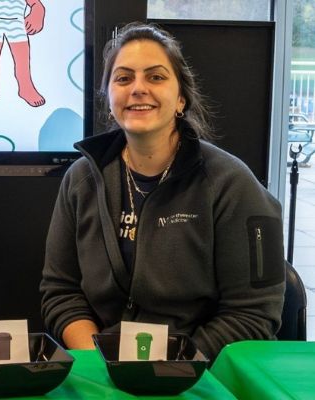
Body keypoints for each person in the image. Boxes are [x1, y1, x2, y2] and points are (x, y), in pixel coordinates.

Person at [39, 22, 285, 359]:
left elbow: (254, 315)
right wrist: (99, 362)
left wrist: (165, 369)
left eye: (155, 77)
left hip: (196, 372)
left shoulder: (232, 184)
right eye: (123, 78)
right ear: (109, 99)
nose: (138, 89)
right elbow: (61, 292)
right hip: (101, 368)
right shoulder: (81, 180)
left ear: (181, 98)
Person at [0, 0, 46, 107]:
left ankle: (26, 87)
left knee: (22, 59)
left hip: (17, 22)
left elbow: (36, 4)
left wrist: (37, 14)